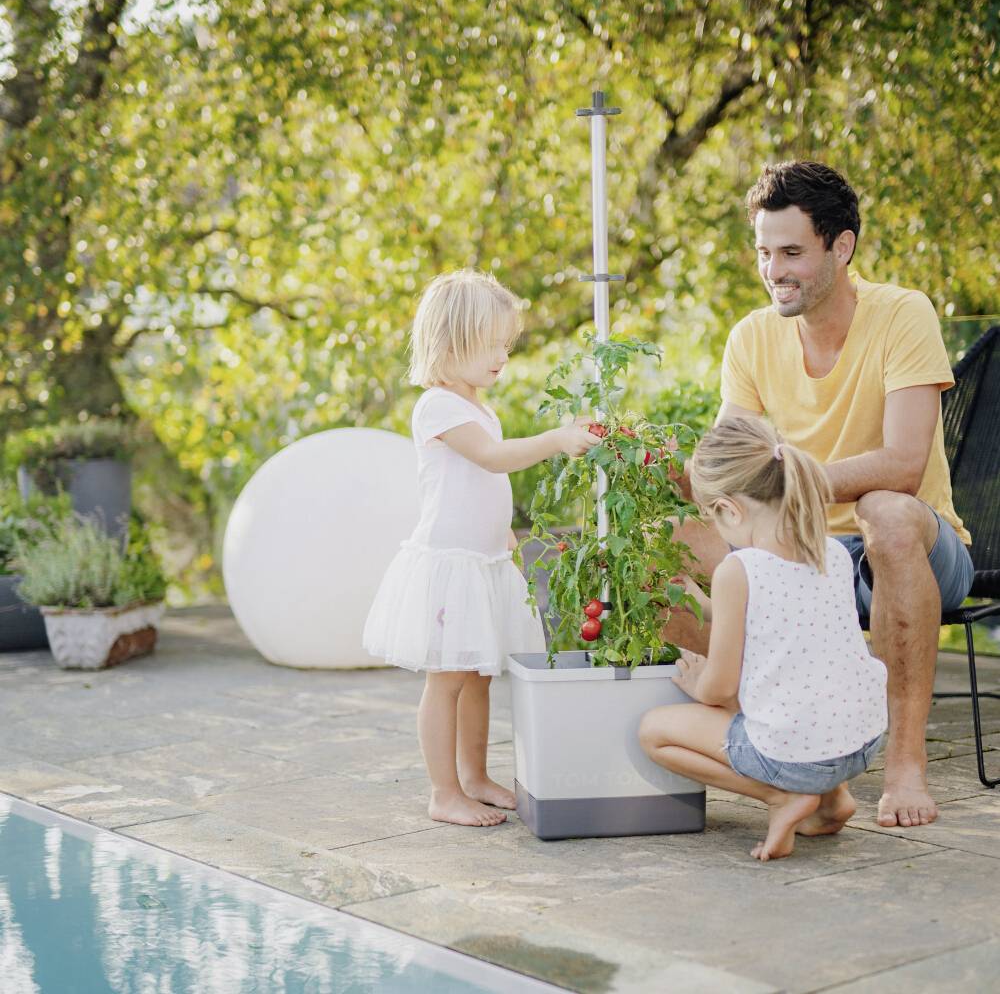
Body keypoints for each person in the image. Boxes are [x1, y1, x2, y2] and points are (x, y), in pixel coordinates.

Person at [665, 161, 974, 831]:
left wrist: (786, 487)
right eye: (764, 252)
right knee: (669, 548)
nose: (774, 268)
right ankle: (793, 762)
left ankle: (904, 764)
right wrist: (672, 470)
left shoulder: (901, 313)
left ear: (841, 246)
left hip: (916, 547)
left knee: (886, 513)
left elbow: (902, 461)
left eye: (792, 252)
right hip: (801, 549)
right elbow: (727, 475)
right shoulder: (750, 337)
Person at [363, 269, 602, 827]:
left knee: (478, 676)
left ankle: (474, 776)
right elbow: (492, 461)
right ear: (450, 343)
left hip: (485, 562)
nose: (503, 357)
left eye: (506, 345)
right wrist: (556, 440)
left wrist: (509, 547)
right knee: (446, 680)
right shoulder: (438, 407)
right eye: (491, 344)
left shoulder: (476, 405)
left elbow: (486, 492)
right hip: (452, 568)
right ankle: (443, 791)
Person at [641, 416, 888, 861]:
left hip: (797, 755)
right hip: (861, 740)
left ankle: (782, 799)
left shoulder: (738, 571)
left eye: (713, 518)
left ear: (730, 510)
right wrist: (704, 600)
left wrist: (695, 681)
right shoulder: (828, 550)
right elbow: (778, 610)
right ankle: (833, 800)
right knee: (805, 690)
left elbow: (720, 689)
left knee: (654, 732)